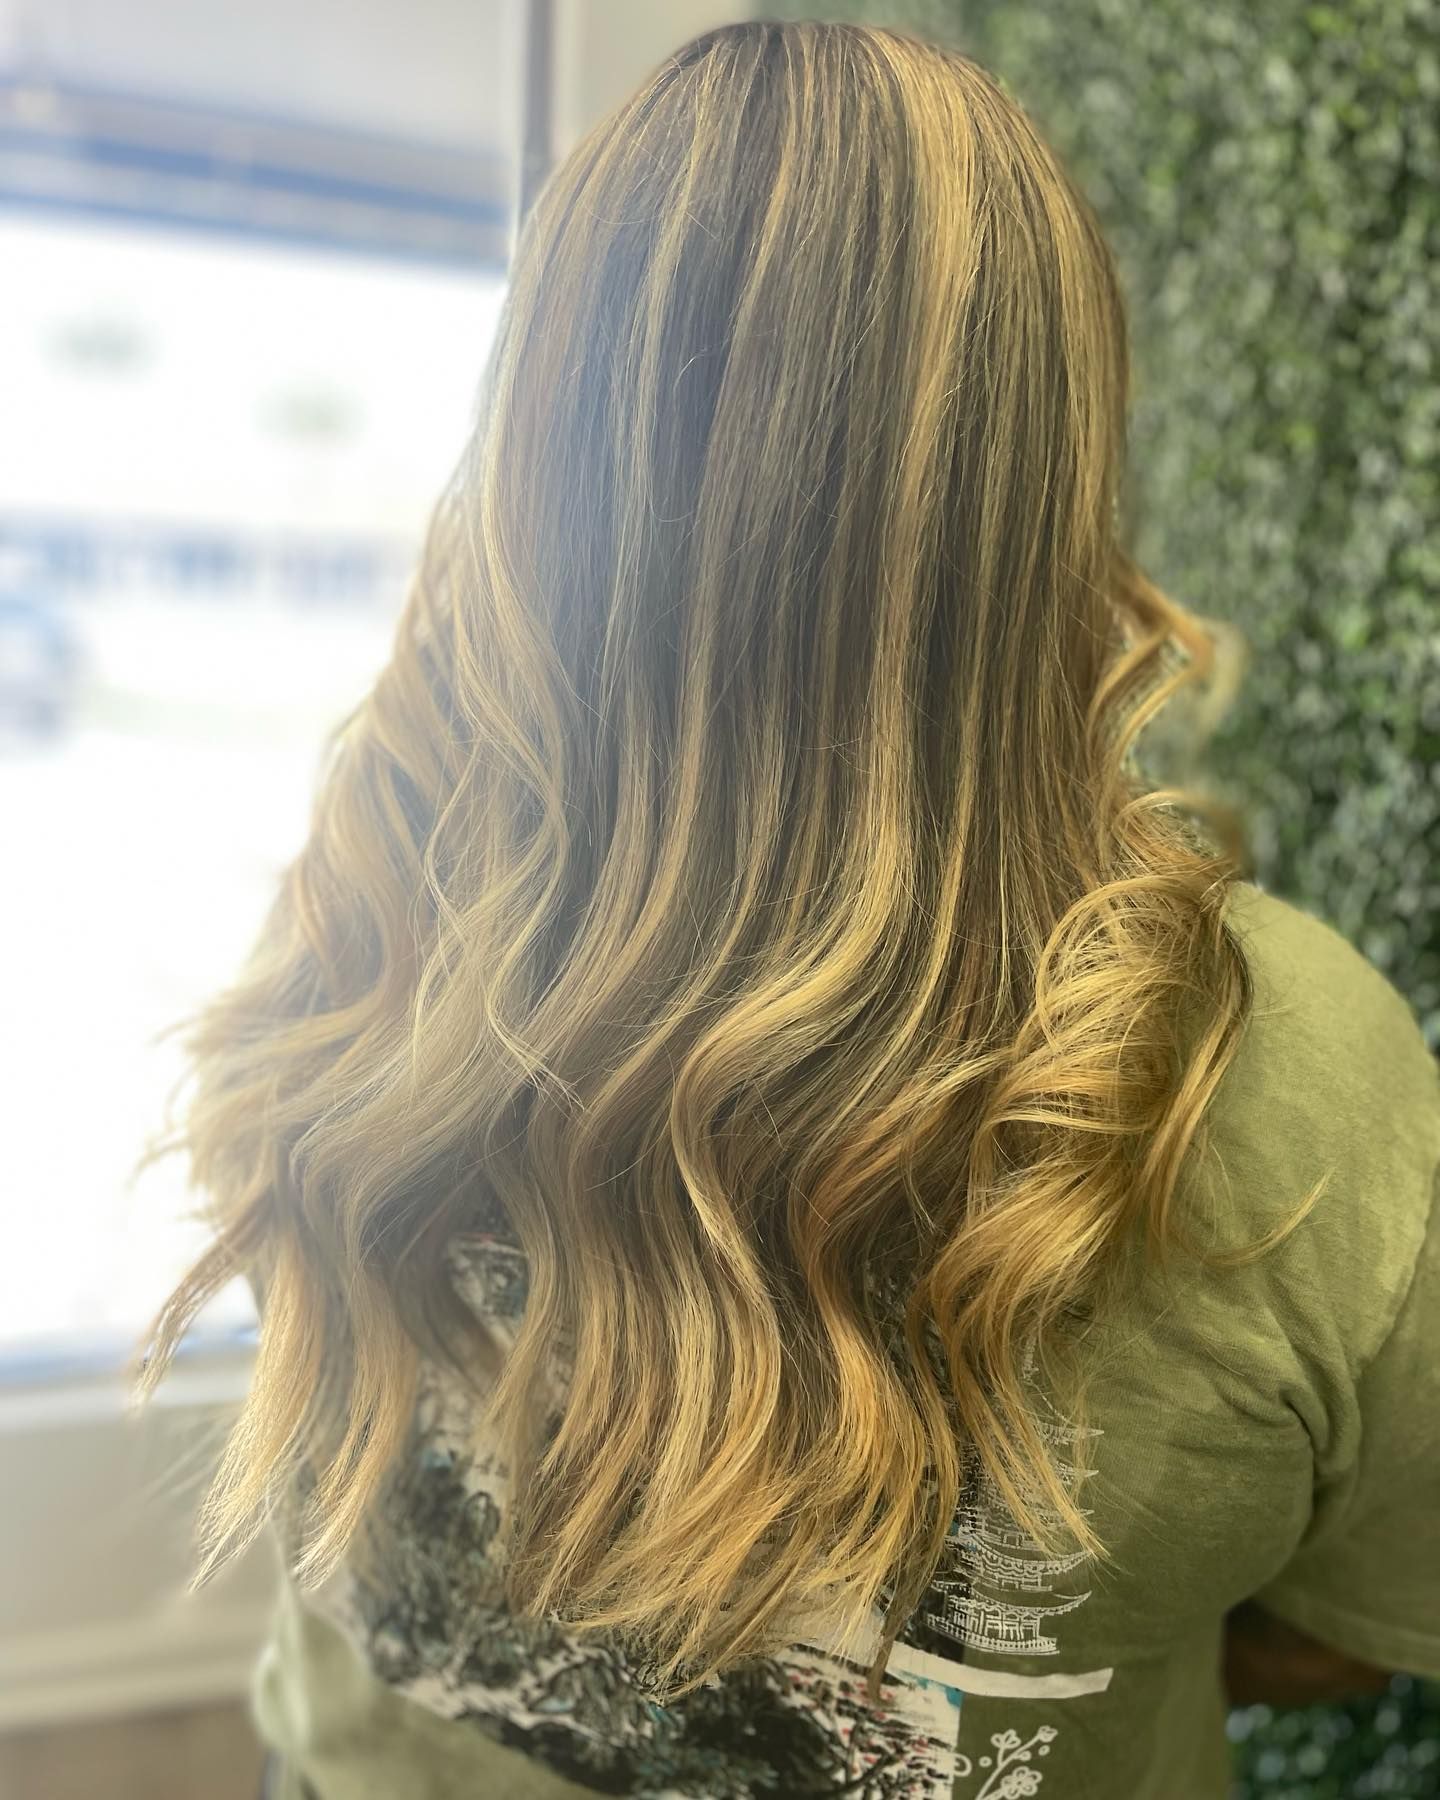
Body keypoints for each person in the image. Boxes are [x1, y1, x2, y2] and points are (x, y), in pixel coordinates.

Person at [145, 22, 1440, 1798]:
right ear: (1051, 481)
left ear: (533, 431)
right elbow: (1347, 1621)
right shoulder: (1280, 1087)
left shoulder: (376, 864)